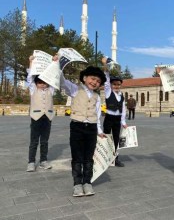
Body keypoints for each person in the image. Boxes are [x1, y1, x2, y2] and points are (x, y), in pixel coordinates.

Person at [61, 65, 106, 197]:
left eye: (98, 81)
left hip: (91, 128)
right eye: (93, 79)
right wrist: (58, 66)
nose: (95, 82)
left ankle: (87, 182)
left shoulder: (97, 97)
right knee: (77, 157)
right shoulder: (75, 89)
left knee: (88, 157)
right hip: (77, 126)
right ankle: (77, 184)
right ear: (85, 78)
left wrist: (99, 130)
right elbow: (62, 82)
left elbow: (97, 116)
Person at [26, 55, 56, 172]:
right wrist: (31, 62)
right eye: (40, 82)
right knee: (34, 141)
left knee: (44, 141)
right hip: (36, 117)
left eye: (45, 82)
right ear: (36, 82)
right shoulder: (33, 89)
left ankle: (43, 160)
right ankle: (31, 162)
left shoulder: (51, 90)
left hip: (47, 117)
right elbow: (29, 78)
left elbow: (53, 77)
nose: (42, 84)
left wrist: (54, 63)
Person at [102, 57, 127, 167]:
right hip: (109, 118)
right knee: (107, 138)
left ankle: (115, 158)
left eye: (118, 84)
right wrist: (105, 67)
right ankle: (105, 158)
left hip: (117, 119)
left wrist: (123, 122)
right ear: (111, 85)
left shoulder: (121, 96)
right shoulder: (108, 92)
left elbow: (123, 110)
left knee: (116, 139)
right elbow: (106, 81)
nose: (116, 86)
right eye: (114, 84)